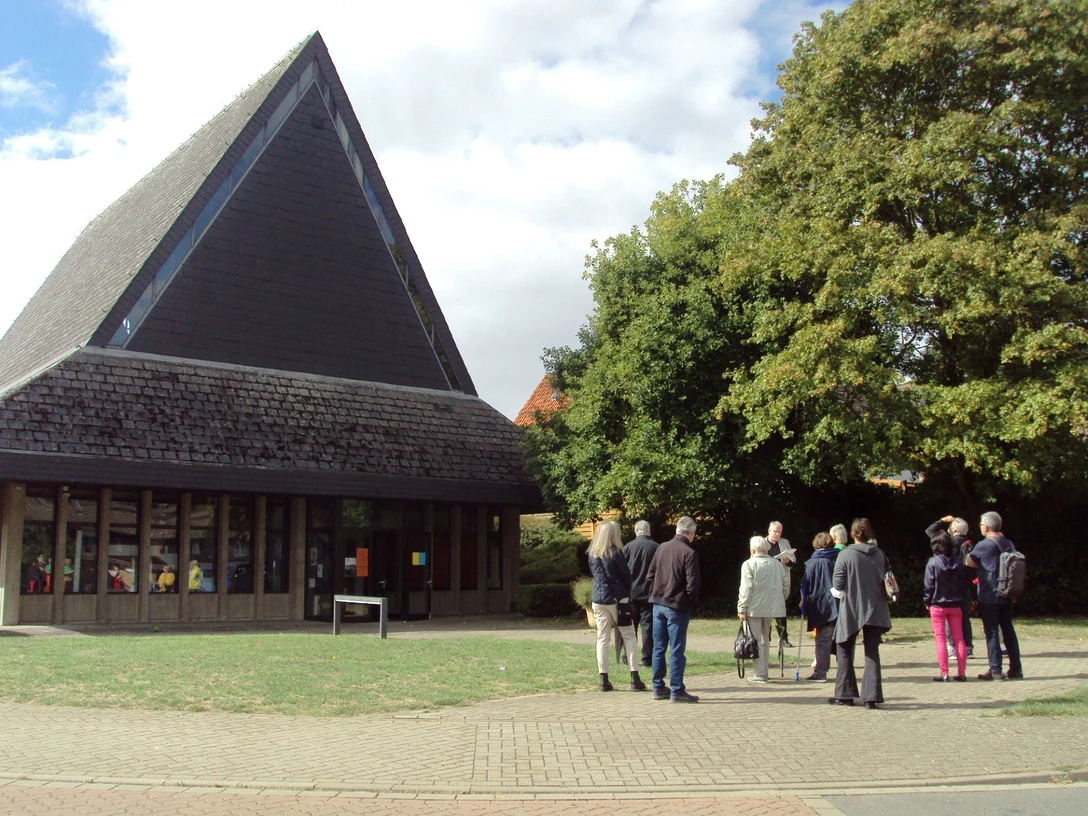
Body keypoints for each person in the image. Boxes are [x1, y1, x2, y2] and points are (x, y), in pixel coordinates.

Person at [829, 518, 891, 709]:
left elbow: (838, 586)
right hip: (877, 607)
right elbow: (887, 579)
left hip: (852, 608)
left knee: (844, 649)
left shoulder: (846, 555)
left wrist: (837, 593)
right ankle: (871, 697)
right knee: (872, 652)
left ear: (852, 534)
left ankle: (845, 694)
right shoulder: (880, 554)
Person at [645, 516, 701, 703]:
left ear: (677, 529)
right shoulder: (689, 553)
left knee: (659, 648)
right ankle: (677, 690)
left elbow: (650, 575)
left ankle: (658, 687)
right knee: (676, 649)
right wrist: (688, 602)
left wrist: (656, 593)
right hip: (676, 605)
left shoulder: (661, 548)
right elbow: (693, 585)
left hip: (658, 603)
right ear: (691, 533)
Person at [587, 520, 645, 692]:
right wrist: (626, 591)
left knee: (602, 638)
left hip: (598, 599)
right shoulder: (616, 553)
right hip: (618, 598)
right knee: (629, 636)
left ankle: (603, 679)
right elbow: (626, 576)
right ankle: (634, 677)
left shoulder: (592, 554)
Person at [966, 511, 1023, 680]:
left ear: (986, 526)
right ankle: (1016, 669)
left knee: (991, 632)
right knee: (1008, 631)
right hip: (1007, 591)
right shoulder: (1008, 543)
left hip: (990, 594)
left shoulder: (984, 545)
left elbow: (969, 562)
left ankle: (995, 669)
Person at [737, 536, 790, 684]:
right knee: (765, 639)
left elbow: (746, 588)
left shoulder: (748, 564)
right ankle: (764, 669)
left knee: (755, 640)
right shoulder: (777, 564)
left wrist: (742, 608)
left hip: (754, 608)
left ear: (752, 549)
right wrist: (780, 599)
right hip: (772, 607)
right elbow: (786, 584)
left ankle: (760, 673)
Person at [925, 515, 975, 656]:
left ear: (953, 529)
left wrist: (941, 520)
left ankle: (953, 646)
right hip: (964, 583)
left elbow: (929, 531)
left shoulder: (947, 542)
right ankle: (968, 646)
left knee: (950, 617)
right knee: (963, 615)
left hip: (947, 583)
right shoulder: (969, 544)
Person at [924, 531, 969, 681]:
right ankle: (962, 673)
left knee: (940, 639)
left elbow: (929, 585)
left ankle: (944, 673)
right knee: (959, 638)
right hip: (956, 605)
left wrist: (927, 600)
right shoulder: (958, 562)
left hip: (937, 604)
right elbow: (963, 584)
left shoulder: (933, 562)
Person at [799, 531, 839, 682]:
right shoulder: (839, 558)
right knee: (842, 640)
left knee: (822, 640)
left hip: (821, 607)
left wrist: (803, 601)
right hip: (840, 604)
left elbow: (804, 584)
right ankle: (844, 671)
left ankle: (820, 672)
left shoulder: (812, 563)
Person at [623, 520, 659, 669]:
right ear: (649, 530)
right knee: (648, 627)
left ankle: (628, 657)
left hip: (630, 593)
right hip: (648, 593)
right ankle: (647, 659)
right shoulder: (656, 548)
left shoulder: (627, 548)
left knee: (630, 628)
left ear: (636, 531)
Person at [766, 521, 796, 647]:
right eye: (775, 531)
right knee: (765, 611)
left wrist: (787, 560)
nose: (777, 534)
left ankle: (783, 638)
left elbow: (793, 563)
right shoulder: (761, 543)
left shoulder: (784, 543)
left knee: (781, 610)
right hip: (766, 581)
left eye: (779, 531)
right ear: (769, 531)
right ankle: (765, 637)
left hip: (780, 580)